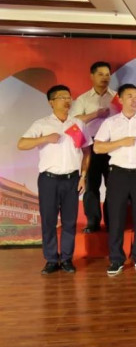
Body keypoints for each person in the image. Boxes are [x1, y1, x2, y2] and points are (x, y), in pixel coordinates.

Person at [18, 85, 92, 274]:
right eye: (62, 97)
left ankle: (66, 259)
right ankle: (51, 259)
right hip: (49, 180)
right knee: (49, 221)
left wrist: (83, 176)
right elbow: (22, 144)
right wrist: (44, 139)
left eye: (69, 97)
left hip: (72, 179)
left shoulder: (78, 124)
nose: (67, 101)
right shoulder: (41, 124)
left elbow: (87, 151)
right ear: (51, 102)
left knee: (69, 221)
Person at [94, 84, 136, 276]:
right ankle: (116, 259)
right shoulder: (111, 123)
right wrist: (120, 142)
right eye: (129, 96)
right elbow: (97, 147)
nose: (134, 99)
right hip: (118, 174)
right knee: (116, 218)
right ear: (120, 99)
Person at [69, 61, 116, 233]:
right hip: (91, 145)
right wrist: (95, 114)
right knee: (91, 185)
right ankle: (93, 221)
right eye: (100, 74)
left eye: (107, 74)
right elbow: (74, 122)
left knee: (114, 186)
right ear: (92, 76)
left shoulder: (117, 98)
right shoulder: (83, 99)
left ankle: (113, 221)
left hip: (112, 145)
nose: (105, 78)